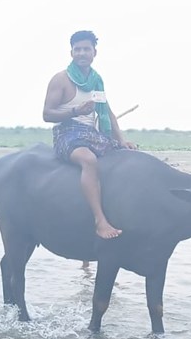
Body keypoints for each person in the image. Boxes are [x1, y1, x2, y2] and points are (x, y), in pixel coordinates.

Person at [43, 30, 138, 239]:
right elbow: (47, 114)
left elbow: (108, 112)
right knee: (88, 159)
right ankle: (99, 221)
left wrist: (121, 140)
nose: (82, 53)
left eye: (86, 49)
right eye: (77, 49)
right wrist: (76, 111)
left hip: (92, 134)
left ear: (94, 52)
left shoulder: (96, 80)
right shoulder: (61, 80)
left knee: (129, 157)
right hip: (66, 134)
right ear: (71, 53)